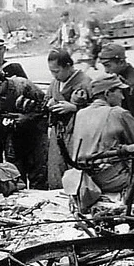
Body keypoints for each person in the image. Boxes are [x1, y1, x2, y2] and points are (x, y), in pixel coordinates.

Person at [68, 75, 134, 205]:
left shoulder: (80, 114)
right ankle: (133, 191)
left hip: (83, 177)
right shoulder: (117, 113)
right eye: (120, 92)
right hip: (109, 180)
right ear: (107, 93)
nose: (123, 97)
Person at [0, 66, 50, 188]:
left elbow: (46, 105)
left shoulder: (23, 85)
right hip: (12, 138)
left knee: (38, 172)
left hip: (35, 134)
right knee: (15, 173)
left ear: (1, 84)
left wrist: (28, 117)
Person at [46, 49, 92, 185]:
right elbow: (47, 98)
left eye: (57, 71)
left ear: (68, 66)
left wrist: (75, 108)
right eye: (52, 72)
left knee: (76, 170)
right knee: (56, 169)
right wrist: (49, 103)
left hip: (78, 134)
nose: (54, 75)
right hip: (58, 133)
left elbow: (97, 109)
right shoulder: (55, 83)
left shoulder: (85, 82)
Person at [99, 43, 134, 135]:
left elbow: (131, 117)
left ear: (121, 62)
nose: (106, 71)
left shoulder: (130, 84)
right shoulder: (124, 75)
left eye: (108, 65)